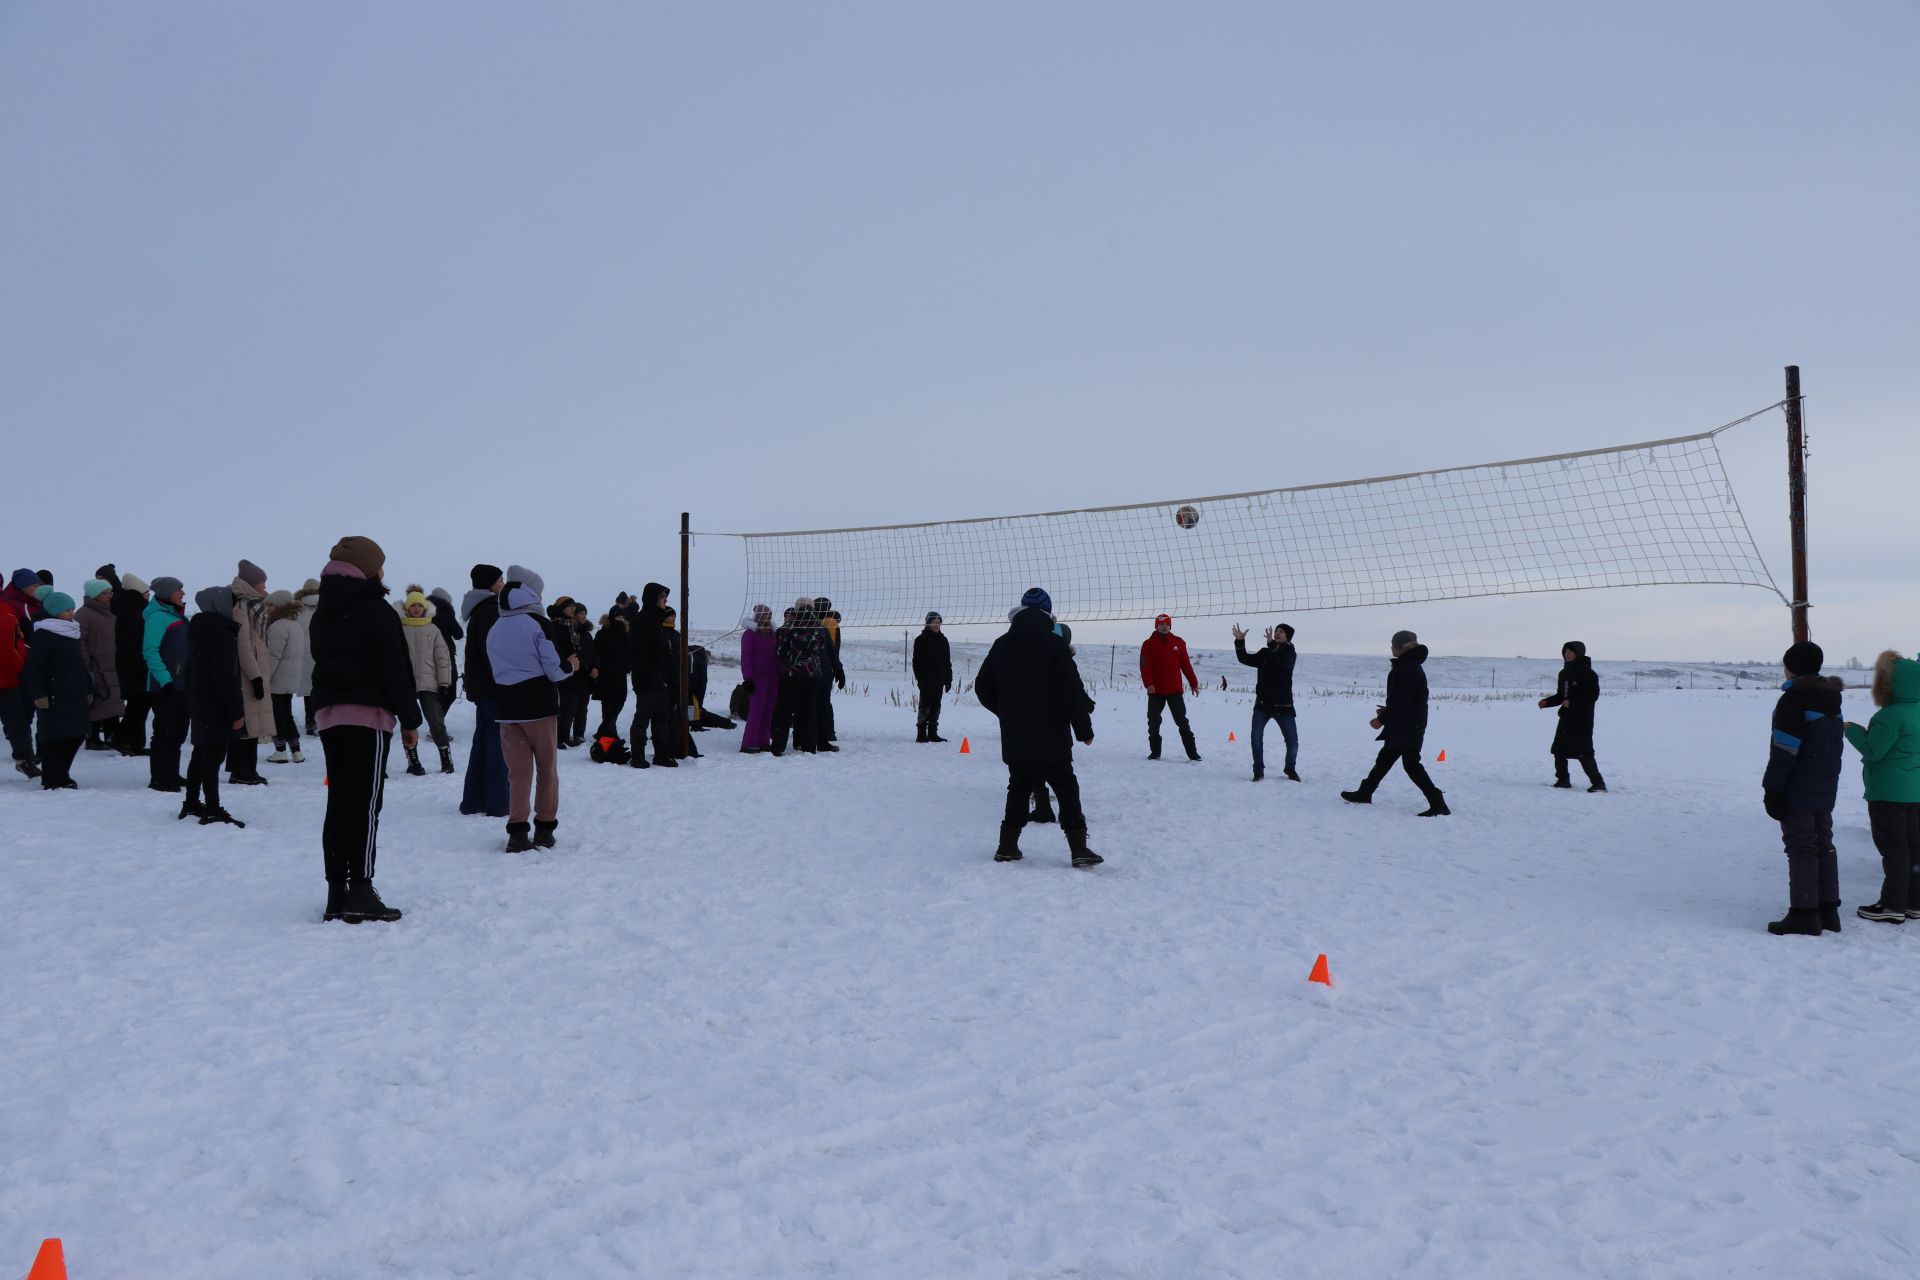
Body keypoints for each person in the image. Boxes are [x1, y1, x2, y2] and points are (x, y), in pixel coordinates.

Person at [309, 536, 420, 923]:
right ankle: (361, 889)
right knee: (366, 804)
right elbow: (393, 668)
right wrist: (410, 717)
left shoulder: (323, 611)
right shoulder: (376, 610)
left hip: (330, 717)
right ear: (370, 569)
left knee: (339, 803)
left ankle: (336, 892)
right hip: (367, 716)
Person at [975, 587, 1101, 868]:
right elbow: (1071, 691)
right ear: (1049, 613)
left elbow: (982, 688)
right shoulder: (1055, 645)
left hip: (1016, 733)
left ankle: (1007, 846)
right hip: (1052, 733)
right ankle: (1078, 848)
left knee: (1018, 786)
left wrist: (1007, 713)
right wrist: (1084, 730)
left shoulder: (1002, 644)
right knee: (1066, 787)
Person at [1762, 641, 1845, 936]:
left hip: (1798, 787)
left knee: (1801, 847)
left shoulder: (1794, 700)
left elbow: (1784, 751)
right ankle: (1828, 911)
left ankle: (1804, 913)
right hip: (1825, 786)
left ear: (1792, 667)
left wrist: (1772, 790)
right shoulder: (1832, 700)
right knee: (1823, 843)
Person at [486, 567, 568, 852]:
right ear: (531, 593)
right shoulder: (538, 623)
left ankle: (517, 833)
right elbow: (554, 670)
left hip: (507, 709)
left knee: (518, 774)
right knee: (547, 770)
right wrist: (572, 666)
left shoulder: (495, 627)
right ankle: (545, 829)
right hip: (540, 707)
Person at [1845, 650, 1920, 924]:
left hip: (1888, 793)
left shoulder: (1890, 716)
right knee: (1914, 847)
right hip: (1915, 792)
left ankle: (1892, 905)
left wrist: (1852, 730)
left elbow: (1874, 751)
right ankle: (1914, 903)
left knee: (1894, 848)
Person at [1341, 630, 1449, 816]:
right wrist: (1388, 711)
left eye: (1393, 644)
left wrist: (1381, 719)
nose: (1391, 648)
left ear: (1401, 647)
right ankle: (1365, 792)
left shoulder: (1408, 668)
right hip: (1407, 723)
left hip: (1408, 726)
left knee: (1410, 764)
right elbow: (1404, 700)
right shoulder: (1409, 665)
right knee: (1385, 759)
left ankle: (1437, 802)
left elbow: (1402, 702)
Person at [181, 586, 247, 825]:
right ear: (221, 605)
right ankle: (212, 808)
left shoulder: (200, 629)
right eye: (234, 603)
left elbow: (189, 669)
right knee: (213, 756)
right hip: (216, 703)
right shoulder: (220, 633)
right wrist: (236, 711)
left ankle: (191, 802)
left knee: (201, 753)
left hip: (201, 700)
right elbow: (225, 677)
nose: (238, 608)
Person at [21, 591, 88, 790]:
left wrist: (88, 686)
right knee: (56, 737)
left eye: (72, 609)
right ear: (54, 611)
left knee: (77, 734)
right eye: (67, 610)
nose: (71, 613)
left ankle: (62, 773)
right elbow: (33, 667)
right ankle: (53, 778)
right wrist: (38, 693)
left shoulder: (72, 631)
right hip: (53, 694)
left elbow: (80, 664)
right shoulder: (44, 634)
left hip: (74, 692)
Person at [459, 564, 510, 817]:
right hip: (494, 689)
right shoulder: (491, 611)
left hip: (484, 689)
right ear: (491, 584)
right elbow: (494, 653)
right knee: (496, 744)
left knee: (483, 743)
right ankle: (498, 802)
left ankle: (473, 800)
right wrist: (506, 682)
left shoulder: (480, 610)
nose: (503, 583)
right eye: (500, 579)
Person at [397, 587, 455, 775]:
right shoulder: (399, 628)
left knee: (436, 721)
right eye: (412, 605)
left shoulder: (433, 628)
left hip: (428, 683)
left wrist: (445, 683)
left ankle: (446, 759)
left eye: (419, 605)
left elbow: (442, 658)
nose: (416, 608)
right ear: (406, 608)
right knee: (408, 723)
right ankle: (413, 760)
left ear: (425, 607)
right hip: (405, 684)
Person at [226, 559, 275, 786]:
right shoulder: (241, 606)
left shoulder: (251, 604)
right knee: (246, 724)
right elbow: (243, 644)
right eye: (262, 584)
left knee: (254, 724)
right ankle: (240, 770)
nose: (264, 589)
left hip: (255, 669)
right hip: (248, 673)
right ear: (251, 584)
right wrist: (255, 676)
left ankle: (249, 769)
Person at [1233, 620, 1298, 781]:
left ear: (1288, 637)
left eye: (1281, 631)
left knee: (1292, 742)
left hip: (1283, 706)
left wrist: (1272, 645)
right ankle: (1258, 771)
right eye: (1277, 630)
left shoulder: (1290, 652)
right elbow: (1244, 659)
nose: (1277, 633)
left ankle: (1290, 768)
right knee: (1256, 738)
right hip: (1263, 705)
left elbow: (1285, 663)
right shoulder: (1264, 652)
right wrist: (1240, 641)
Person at [142, 577, 190, 792]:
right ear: (167, 592)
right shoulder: (157, 618)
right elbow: (150, 651)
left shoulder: (176, 616)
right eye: (179, 590)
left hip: (181, 685)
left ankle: (172, 773)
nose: (183, 593)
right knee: (165, 731)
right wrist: (166, 681)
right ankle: (160, 778)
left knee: (178, 732)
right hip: (165, 687)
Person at [1539, 640, 1606, 792]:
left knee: (1584, 751)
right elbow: (1561, 696)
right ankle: (1563, 780)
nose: (1567, 654)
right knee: (1558, 749)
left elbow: (1592, 696)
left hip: (1582, 719)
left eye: (1570, 651)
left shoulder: (1589, 674)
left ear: (1578, 653)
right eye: (1565, 651)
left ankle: (1598, 783)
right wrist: (1547, 702)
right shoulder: (1564, 673)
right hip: (1566, 718)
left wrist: (1573, 703)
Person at [1140, 612, 1201, 761]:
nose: (1164, 626)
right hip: (1156, 691)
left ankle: (1193, 754)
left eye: (1167, 624)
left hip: (1174, 690)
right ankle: (1155, 753)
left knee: (1182, 722)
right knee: (1153, 721)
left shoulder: (1179, 642)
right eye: (1161, 624)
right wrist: (1149, 684)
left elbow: (1186, 665)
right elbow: (1145, 666)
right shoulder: (1148, 644)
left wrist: (1193, 683)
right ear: (1156, 625)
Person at [628, 582, 676, 768]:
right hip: (647, 680)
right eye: (663, 598)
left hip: (661, 681)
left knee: (661, 719)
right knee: (642, 718)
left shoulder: (656, 620)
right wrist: (653, 675)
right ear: (654, 599)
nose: (665, 601)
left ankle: (661, 755)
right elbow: (640, 653)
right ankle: (637, 756)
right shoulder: (643, 620)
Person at [771, 598, 826, 755]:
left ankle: (778, 747)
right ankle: (809, 746)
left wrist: (790, 661)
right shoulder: (819, 628)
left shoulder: (788, 626)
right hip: (812, 674)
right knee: (809, 711)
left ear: (796, 609)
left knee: (784, 711)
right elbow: (821, 648)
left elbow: (779, 651)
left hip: (791, 674)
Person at [76, 578, 123, 750]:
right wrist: (86, 664)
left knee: (112, 702)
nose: (109, 596)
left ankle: (112, 736)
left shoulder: (111, 612)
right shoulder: (83, 614)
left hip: (112, 664)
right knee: (97, 704)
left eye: (110, 592)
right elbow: (79, 641)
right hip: (96, 666)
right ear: (95, 595)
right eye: (105, 593)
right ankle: (93, 738)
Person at [110, 570, 152, 754]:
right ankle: (120, 738)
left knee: (138, 706)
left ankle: (134, 743)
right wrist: (142, 665)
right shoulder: (132, 614)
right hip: (135, 667)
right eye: (146, 594)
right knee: (138, 706)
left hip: (131, 665)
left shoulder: (130, 611)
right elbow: (133, 644)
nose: (148, 597)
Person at [264, 590, 308, 763]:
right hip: (291, 677)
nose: (267, 609)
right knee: (286, 714)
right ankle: (296, 751)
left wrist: (264, 677)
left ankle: (280, 750)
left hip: (278, 678)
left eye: (270, 605)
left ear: (279, 607)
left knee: (277, 715)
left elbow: (273, 655)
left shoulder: (278, 626)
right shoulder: (294, 624)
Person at [0, 577, 31, 778]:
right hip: (7, 677)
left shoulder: (6, 609)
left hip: (7, 676)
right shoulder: (5, 611)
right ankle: (25, 760)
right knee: (16, 722)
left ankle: (24, 759)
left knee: (16, 722)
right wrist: (18, 667)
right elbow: (10, 647)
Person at [739, 604, 778, 752]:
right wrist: (748, 678)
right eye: (766, 614)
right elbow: (746, 658)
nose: (769, 617)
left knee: (768, 711)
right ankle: (748, 742)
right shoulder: (750, 634)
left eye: (770, 614)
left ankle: (763, 741)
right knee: (756, 711)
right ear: (759, 616)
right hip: (757, 679)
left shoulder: (772, 633)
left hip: (773, 678)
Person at [913, 611, 952, 743]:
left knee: (936, 707)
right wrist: (921, 680)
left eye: (938, 622)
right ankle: (921, 734)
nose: (937, 625)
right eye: (934, 622)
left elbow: (947, 662)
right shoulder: (920, 640)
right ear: (928, 623)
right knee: (925, 707)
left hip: (939, 680)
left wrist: (948, 680)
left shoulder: (943, 640)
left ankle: (933, 734)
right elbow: (916, 663)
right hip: (926, 680)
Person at [593, 606, 631, 739]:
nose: (620, 620)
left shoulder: (625, 634)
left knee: (619, 701)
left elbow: (629, 653)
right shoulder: (602, 634)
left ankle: (604, 731)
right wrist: (598, 666)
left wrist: (628, 666)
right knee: (608, 705)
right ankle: (609, 736)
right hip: (606, 675)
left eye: (622, 617)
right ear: (611, 618)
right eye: (617, 617)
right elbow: (596, 652)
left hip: (620, 675)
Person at [814, 596, 845, 750]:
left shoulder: (825, 624)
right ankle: (828, 732)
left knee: (819, 701)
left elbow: (832, 647)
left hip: (820, 667)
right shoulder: (831, 623)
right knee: (825, 701)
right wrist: (836, 667)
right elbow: (835, 648)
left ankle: (823, 732)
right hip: (828, 666)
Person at [428, 586, 462, 714]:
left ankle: (436, 724)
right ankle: (437, 725)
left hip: (428, 657)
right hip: (446, 657)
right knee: (450, 693)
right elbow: (458, 634)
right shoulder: (445, 612)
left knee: (437, 692)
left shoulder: (425, 612)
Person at [295, 577, 323, 736]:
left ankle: (310, 722)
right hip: (320, 652)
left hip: (303, 653)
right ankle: (320, 721)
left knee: (307, 691)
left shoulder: (297, 608)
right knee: (321, 689)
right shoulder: (326, 605)